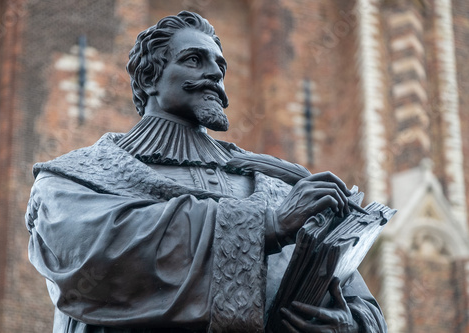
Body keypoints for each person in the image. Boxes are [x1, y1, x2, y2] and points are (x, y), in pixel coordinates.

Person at [26, 11, 387, 333]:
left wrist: (350, 323)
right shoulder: (75, 178)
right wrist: (268, 226)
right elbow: (95, 252)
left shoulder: (279, 186)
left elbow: (356, 297)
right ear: (150, 79)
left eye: (220, 66)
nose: (214, 73)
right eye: (194, 60)